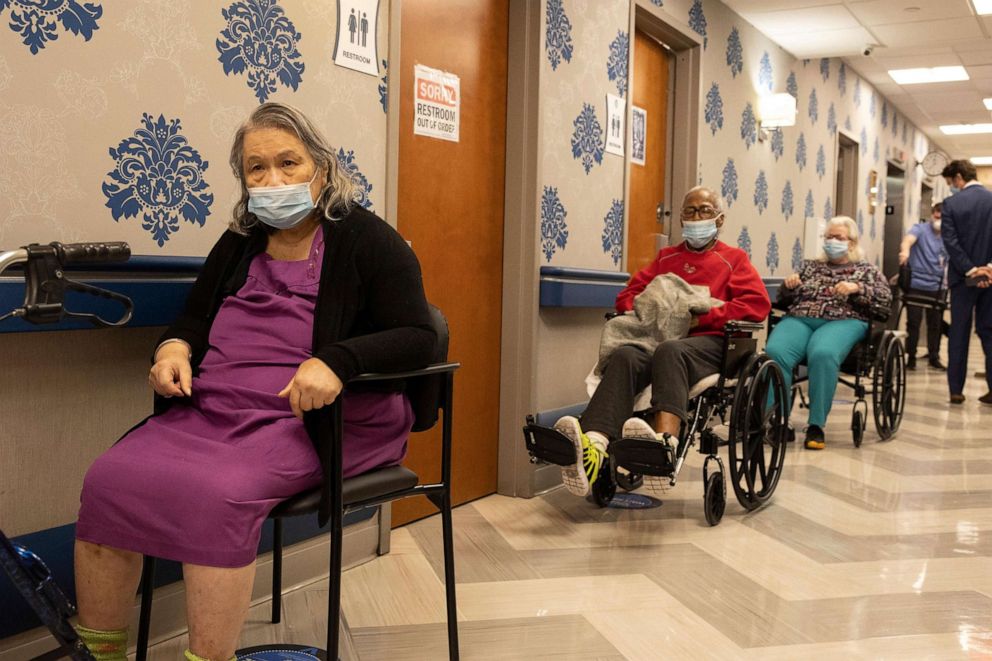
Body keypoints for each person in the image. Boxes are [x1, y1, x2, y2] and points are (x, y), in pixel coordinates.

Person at [73, 103, 435, 661]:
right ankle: (100, 654)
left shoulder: (368, 240)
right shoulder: (241, 240)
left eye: (289, 163)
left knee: (215, 493)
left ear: (321, 166)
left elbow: (417, 334)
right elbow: (195, 317)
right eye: (256, 168)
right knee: (107, 479)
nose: (273, 180)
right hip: (217, 407)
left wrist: (337, 360)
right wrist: (173, 347)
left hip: (322, 415)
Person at [554, 186, 771, 497]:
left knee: (671, 351)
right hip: (659, 339)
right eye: (690, 211)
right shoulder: (666, 257)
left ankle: (665, 445)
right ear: (680, 218)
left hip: (709, 343)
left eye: (705, 211)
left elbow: (755, 305)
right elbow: (627, 296)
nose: (697, 217)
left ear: (720, 219)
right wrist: (649, 310)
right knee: (626, 355)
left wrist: (700, 317)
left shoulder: (733, 259)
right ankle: (594, 446)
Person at [764, 216, 891, 450]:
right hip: (801, 317)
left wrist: (857, 287)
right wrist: (789, 285)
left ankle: (816, 425)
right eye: (829, 237)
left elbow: (885, 301)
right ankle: (778, 419)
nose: (832, 241)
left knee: (822, 353)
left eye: (838, 237)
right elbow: (783, 298)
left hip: (844, 320)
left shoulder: (866, 270)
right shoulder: (810, 266)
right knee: (775, 351)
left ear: (851, 243)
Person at [939, 159, 992, 405]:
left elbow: (950, 241)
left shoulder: (951, 204)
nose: (953, 187)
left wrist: (971, 270)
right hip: (991, 279)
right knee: (989, 332)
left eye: (952, 182)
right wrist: (988, 268)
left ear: (959, 177)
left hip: (962, 280)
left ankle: (956, 390)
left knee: (959, 332)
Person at [898, 202, 947, 370]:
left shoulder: (950, 235)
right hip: (916, 283)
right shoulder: (920, 229)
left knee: (935, 325)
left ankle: (934, 356)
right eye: (936, 216)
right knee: (913, 322)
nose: (938, 219)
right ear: (932, 214)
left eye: (942, 217)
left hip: (938, 286)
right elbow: (908, 241)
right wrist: (905, 252)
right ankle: (910, 356)